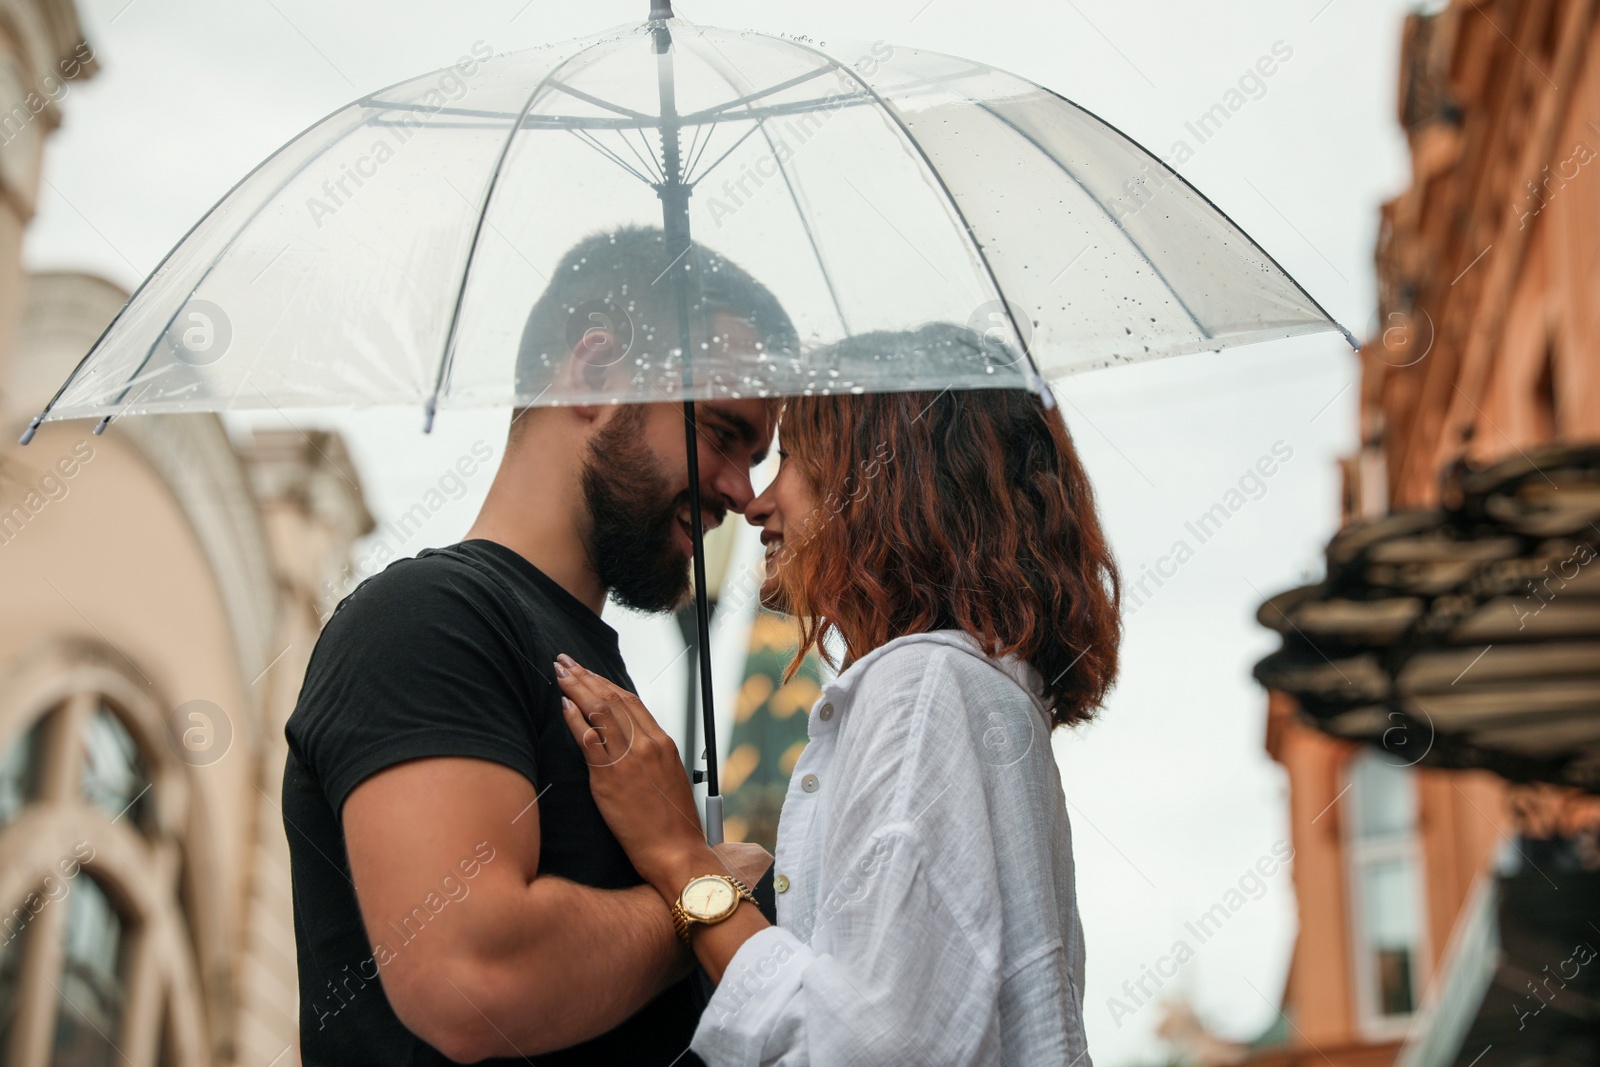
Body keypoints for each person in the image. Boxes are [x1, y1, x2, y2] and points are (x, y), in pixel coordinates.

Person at [281, 227, 792, 1065]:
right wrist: (707, 888)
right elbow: (472, 979)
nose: (742, 490)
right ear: (593, 374)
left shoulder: (598, 671)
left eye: (757, 455)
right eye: (724, 433)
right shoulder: (428, 619)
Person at [553, 323, 1121, 1065]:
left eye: (792, 459)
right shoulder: (978, 695)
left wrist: (680, 859)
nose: (756, 502)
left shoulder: (920, 686)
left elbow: (873, 1044)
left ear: (886, 480)